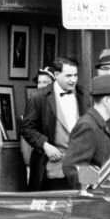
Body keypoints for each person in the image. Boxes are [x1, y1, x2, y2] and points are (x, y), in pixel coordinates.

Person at [21, 56, 89, 191]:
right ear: (57, 75)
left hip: (84, 166)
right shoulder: (38, 97)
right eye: (68, 75)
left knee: (87, 204)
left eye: (75, 75)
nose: (73, 79)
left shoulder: (85, 95)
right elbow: (27, 128)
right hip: (53, 168)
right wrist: (45, 145)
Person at [63, 75, 110, 188]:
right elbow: (72, 167)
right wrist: (100, 183)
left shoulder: (104, 124)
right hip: (95, 200)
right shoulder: (87, 126)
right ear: (106, 101)